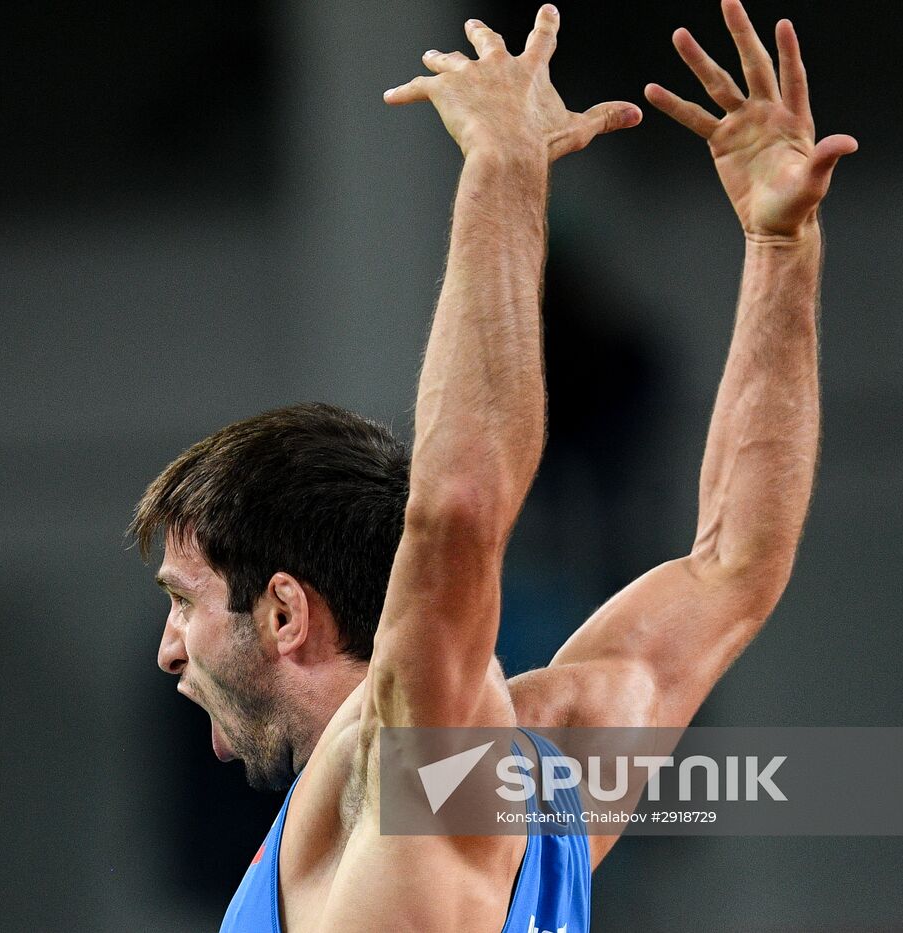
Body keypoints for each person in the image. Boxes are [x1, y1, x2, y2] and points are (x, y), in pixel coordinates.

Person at [130, 1, 856, 929]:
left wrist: (503, 171)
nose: (168, 645)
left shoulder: (410, 772)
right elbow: (732, 564)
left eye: (184, 599)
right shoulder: (538, 775)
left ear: (283, 610)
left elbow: (462, 507)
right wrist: (780, 247)